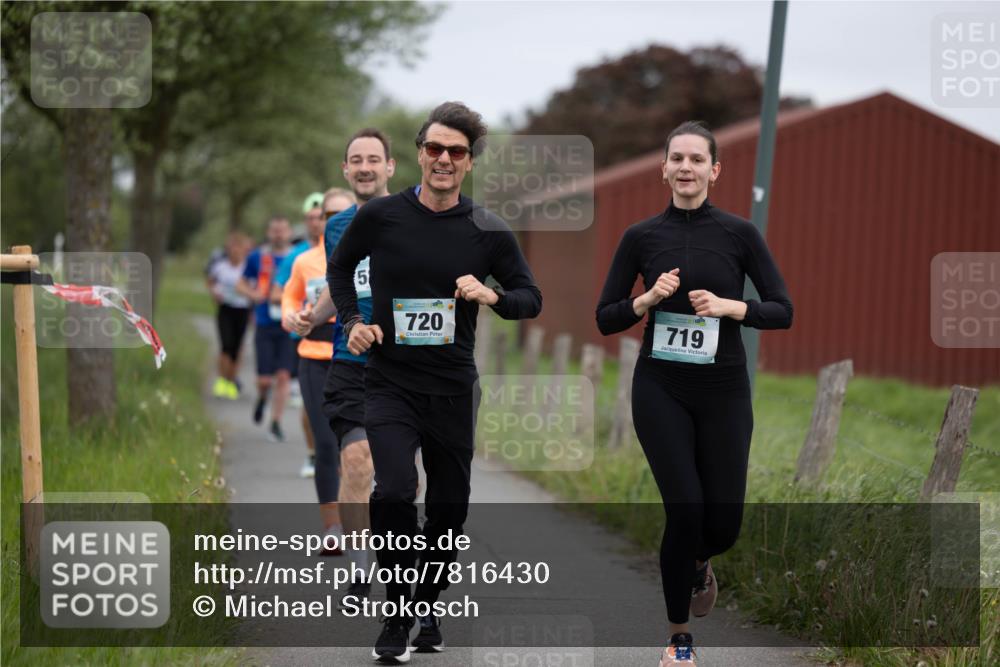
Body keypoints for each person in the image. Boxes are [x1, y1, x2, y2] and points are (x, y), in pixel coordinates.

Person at [328, 103, 542, 664]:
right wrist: (352, 322)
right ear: (420, 152)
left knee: (449, 509)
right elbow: (340, 269)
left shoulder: (488, 231)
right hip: (390, 381)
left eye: (457, 152)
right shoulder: (380, 217)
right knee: (395, 491)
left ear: (469, 163)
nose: (443, 159)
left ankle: (427, 599)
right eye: (435, 148)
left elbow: (530, 298)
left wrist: (491, 295)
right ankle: (397, 612)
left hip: (452, 388)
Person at [595, 121, 793, 666]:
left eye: (696, 160)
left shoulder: (739, 234)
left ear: (714, 170)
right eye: (676, 159)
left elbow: (783, 309)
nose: (686, 168)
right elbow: (606, 317)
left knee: (721, 522)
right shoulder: (641, 237)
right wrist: (646, 300)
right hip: (661, 386)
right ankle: (679, 638)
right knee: (684, 510)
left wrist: (732, 308)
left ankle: (701, 560)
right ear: (663, 168)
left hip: (724, 389)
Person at [288, 128, 397, 605]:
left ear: (391, 167)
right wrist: (309, 316)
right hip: (350, 359)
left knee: (399, 477)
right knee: (356, 458)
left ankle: (401, 558)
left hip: (407, 363)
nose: (366, 166)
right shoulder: (337, 227)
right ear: (346, 170)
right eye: (357, 159)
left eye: (375, 158)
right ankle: (360, 566)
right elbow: (340, 285)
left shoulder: (412, 217)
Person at [282, 188, 356, 555]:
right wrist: (292, 317)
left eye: (344, 213)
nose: (335, 221)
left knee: (359, 448)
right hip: (315, 356)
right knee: (326, 444)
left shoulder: (370, 256)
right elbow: (289, 301)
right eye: (329, 215)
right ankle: (332, 528)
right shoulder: (305, 261)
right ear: (320, 221)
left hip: (359, 360)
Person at [236, 216, 295, 442]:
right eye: (274, 230)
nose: (279, 234)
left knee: (283, 376)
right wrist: (254, 295)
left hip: (289, 323)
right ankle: (262, 397)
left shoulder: (297, 255)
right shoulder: (258, 256)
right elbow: (240, 283)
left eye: (282, 230)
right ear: (268, 233)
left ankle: (276, 422)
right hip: (264, 324)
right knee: (264, 380)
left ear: (289, 232)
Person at [206, 231, 252, 399]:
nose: (235, 251)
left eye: (238, 247)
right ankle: (222, 380)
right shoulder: (220, 266)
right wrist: (214, 293)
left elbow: (254, 286)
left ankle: (232, 380)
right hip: (225, 309)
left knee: (237, 348)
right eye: (232, 247)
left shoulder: (248, 267)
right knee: (226, 345)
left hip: (243, 310)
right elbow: (210, 281)